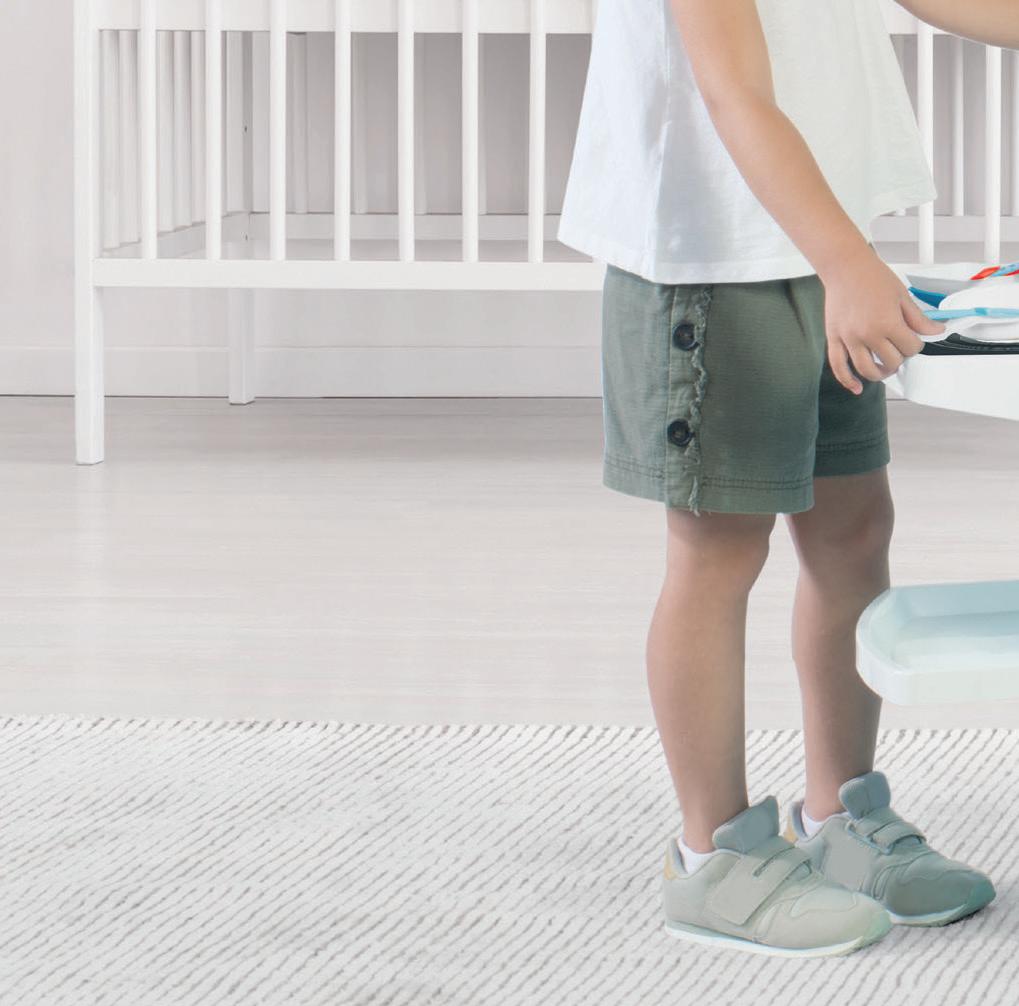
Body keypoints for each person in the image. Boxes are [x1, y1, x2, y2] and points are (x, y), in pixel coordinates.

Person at [557, 0, 1017, 957]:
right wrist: (845, 264)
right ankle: (711, 855)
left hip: (814, 236)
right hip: (713, 255)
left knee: (852, 530)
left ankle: (839, 815)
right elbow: (732, 93)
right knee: (717, 550)